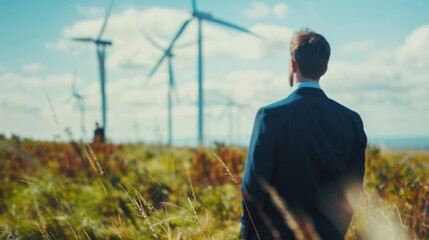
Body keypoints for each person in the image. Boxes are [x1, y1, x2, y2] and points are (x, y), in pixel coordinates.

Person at [240, 29, 367, 240]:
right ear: (324, 68)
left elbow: (253, 187)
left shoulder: (269, 116)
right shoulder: (352, 121)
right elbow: (353, 190)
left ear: (292, 64)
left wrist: (247, 232)